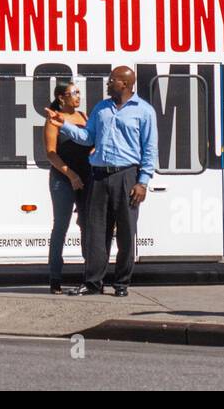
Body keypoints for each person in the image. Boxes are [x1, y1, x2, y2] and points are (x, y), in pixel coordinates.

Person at [47, 66, 157, 297]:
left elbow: (150, 149)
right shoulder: (101, 108)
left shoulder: (144, 111)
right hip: (98, 175)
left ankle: (121, 284)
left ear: (125, 84)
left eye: (112, 81)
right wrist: (63, 124)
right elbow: (88, 138)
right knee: (96, 231)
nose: (108, 84)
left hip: (127, 175)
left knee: (126, 231)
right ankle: (93, 283)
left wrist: (143, 182)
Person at [43, 81, 91, 294]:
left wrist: (93, 152)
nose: (78, 97)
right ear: (62, 98)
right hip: (62, 178)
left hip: (86, 178)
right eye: (73, 93)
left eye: (79, 92)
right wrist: (70, 175)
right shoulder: (53, 120)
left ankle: (89, 276)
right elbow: (51, 154)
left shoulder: (84, 117)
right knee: (61, 226)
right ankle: (55, 278)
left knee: (87, 225)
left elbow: (92, 140)